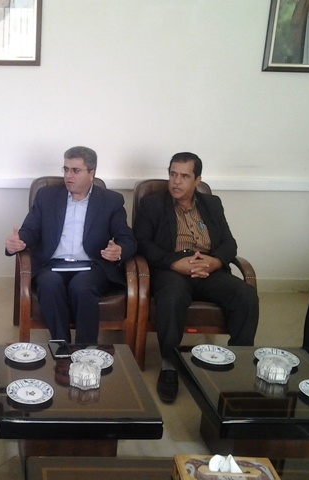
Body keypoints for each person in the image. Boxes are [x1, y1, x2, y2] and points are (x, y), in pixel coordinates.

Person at [133, 152, 259, 404]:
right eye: (173, 174)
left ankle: (240, 361)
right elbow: (142, 243)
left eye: (184, 176)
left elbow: (229, 243)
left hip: (208, 269)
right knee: (171, 297)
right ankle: (169, 365)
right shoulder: (152, 204)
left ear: (197, 180)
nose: (176, 181)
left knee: (246, 295)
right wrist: (173, 262)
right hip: (172, 270)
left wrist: (215, 262)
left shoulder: (212, 204)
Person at [5, 146, 137, 343]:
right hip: (52, 264)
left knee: (82, 287)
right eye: (66, 169)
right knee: (49, 285)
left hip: (92, 266)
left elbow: (127, 238)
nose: (68, 175)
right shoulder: (46, 196)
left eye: (75, 170)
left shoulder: (110, 201)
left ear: (91, 173)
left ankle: (85, 350)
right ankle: (62, 347)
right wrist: (16, 242)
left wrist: (119, 250)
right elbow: (30, 231)